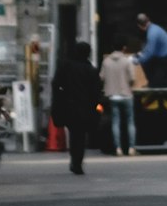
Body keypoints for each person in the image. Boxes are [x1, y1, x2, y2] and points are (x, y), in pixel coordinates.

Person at [50, 40, 103, 176]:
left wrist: (59, 99)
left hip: (68, 106)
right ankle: (77, 162)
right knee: (80, 135)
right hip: (85, 108)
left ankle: (74, 159)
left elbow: (56, 83)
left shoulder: (65, 66)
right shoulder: (90, 70)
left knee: (74, 133)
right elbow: (96, 91)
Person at [101, 42, 140, 156]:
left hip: (113, 95)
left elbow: (101, 77)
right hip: (126, 95)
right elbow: (132, 78)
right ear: (124, 48)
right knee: (130, 122)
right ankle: (131, 148)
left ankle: (118, 148)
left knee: (115, 123)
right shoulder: (127, 61)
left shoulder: (106, 61)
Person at [134, 12, 167, 87]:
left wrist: (137, 61)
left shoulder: (152, 33)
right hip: (164, 58)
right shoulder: (154, 28)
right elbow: (149, 48)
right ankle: (151, 82)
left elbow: (150, 53)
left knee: (155, 83)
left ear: (139, 26)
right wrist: (141, 53)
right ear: (148, 19)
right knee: (148, 65)